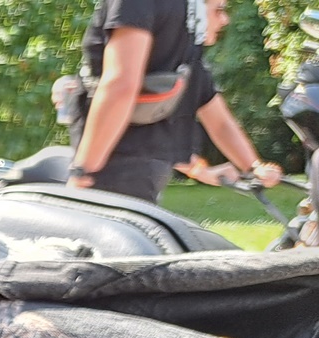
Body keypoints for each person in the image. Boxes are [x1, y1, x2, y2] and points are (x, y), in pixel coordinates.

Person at [68, 0, 281, 201]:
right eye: (219, 10)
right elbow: (217, 118)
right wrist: (250, 167)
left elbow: (121, 86)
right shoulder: (183, 19)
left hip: (110, 170)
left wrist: (83, 170)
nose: (225, 20)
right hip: (143, 173)